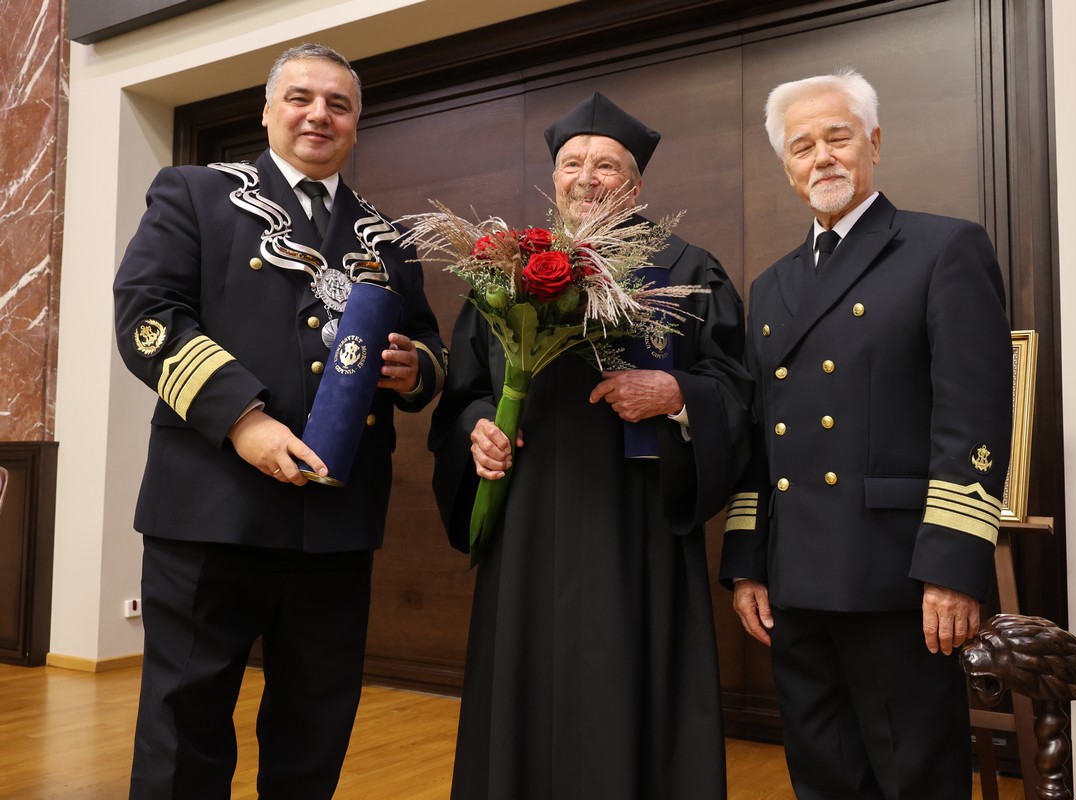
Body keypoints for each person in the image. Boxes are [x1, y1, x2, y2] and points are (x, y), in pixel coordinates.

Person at [112, 43, 446, 799]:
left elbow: (429, 345)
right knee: (184, 727)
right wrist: (243, 420)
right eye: (300, 97)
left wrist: (415, 368)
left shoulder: (384, 236)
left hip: (334, 517)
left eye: (338, 103)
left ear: (357, 124)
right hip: (210, 509)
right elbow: (148, 318)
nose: (318, 114)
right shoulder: (195, 192)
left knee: (314, 727)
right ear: (266, 111)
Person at [429, 92, 752, 800]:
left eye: (605, 166)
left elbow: (736, 392)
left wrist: (676, 396)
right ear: (554, 182)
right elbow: (462, 394)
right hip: (528, 530)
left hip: (636, 531)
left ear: (636, 187)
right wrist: (478, 428)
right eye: (572, 163)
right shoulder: (505, 269)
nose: (585, 177)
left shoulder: (690, 272)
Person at [720, 69, 1012, 799]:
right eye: (801, 146)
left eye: (837, 138)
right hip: (796, 580)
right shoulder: (772, 285)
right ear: (786, 166)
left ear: (873, 145)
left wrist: (951, 566)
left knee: (915, 776)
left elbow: (972, 416)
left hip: (897, 576)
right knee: (825, 776)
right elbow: (762, 436)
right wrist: (748, 560)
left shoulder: (943, 249)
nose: (820, 158)